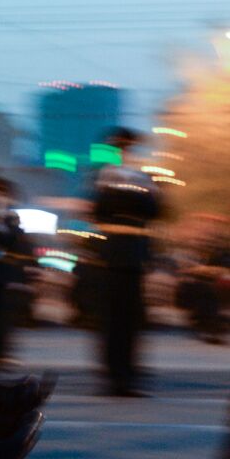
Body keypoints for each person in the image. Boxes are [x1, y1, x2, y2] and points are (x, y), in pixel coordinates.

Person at [91, 127, 161, 396]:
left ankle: (128, 374)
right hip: (114, 253)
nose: (125, 153)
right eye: (122, 148)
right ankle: (113, 375)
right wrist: (138, 193)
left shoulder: (143, 176)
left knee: (131, 320)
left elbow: (156, 210)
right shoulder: (105, 176)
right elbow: (101, 209)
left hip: (135, 254)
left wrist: (142, 190)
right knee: (113, 319)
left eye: (128, 148)